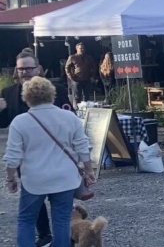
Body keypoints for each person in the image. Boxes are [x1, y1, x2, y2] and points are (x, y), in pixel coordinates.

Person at [3, 76, 96, 247]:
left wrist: (11, 179)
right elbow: (83, 147)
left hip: (34, 180)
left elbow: (13, 155)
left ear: (26, 97)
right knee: (61, 222)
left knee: (26, 221)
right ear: (52, 95)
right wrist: (89, 170)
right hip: (65, 178)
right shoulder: (69, 117)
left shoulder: (20, 122)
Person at [0, 50, 74, 247]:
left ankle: (60, 239)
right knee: (34, 203)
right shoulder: (7, 93)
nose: (24, 72)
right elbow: (3, 123)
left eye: (28, 68)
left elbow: (71, 118)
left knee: (59, 207)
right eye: (21, 68)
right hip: (27, 160)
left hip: (57, 157)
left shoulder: (56, 89)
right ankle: (44, 234)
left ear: (39, 69)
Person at [65, 42, 97, 107]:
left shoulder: (89, 57)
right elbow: (67, 68)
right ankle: (77, 109)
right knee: (77, 96)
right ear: (77, 49)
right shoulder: (72, 57)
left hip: (87, 79)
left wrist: (92, 76)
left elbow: (94, 67)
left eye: (83, 48)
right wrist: (70, 77)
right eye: (80, 48)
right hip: (76, 79)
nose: (82, 49)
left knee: (87, 96)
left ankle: (87, 109)